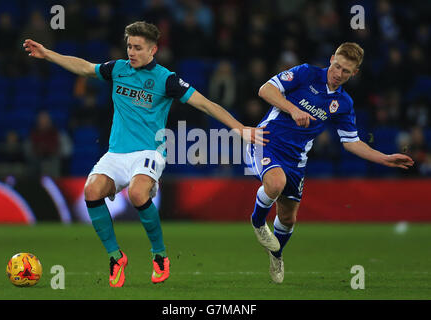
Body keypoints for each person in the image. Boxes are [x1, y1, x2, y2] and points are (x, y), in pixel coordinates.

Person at [23, 21, 267, 287]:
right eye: (129, 46)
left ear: (153, 50)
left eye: (138, 48)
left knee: (138, 194)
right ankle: (116, 257)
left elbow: (205, 104)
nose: (131, 52)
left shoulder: (167, 79)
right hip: (116, 153)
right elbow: (84, 67)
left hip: (149, 151)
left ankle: (160, 255)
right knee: (91, 192)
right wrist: (48, 53)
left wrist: (240, 128)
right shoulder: (117, 69)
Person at [246, 42, 414, 283]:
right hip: (268, 140)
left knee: (287, 218)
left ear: (354, 73)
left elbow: (352, 142)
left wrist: (384, 158)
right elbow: (265, 90)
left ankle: (276, 254)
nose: (339, 74)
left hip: (297, 159)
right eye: (337, 66)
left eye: (346, 71)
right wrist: (293, 109)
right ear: (332, 58)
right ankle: (258, 222)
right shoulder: (305, 73)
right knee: (275, 182)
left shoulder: (343, 104)